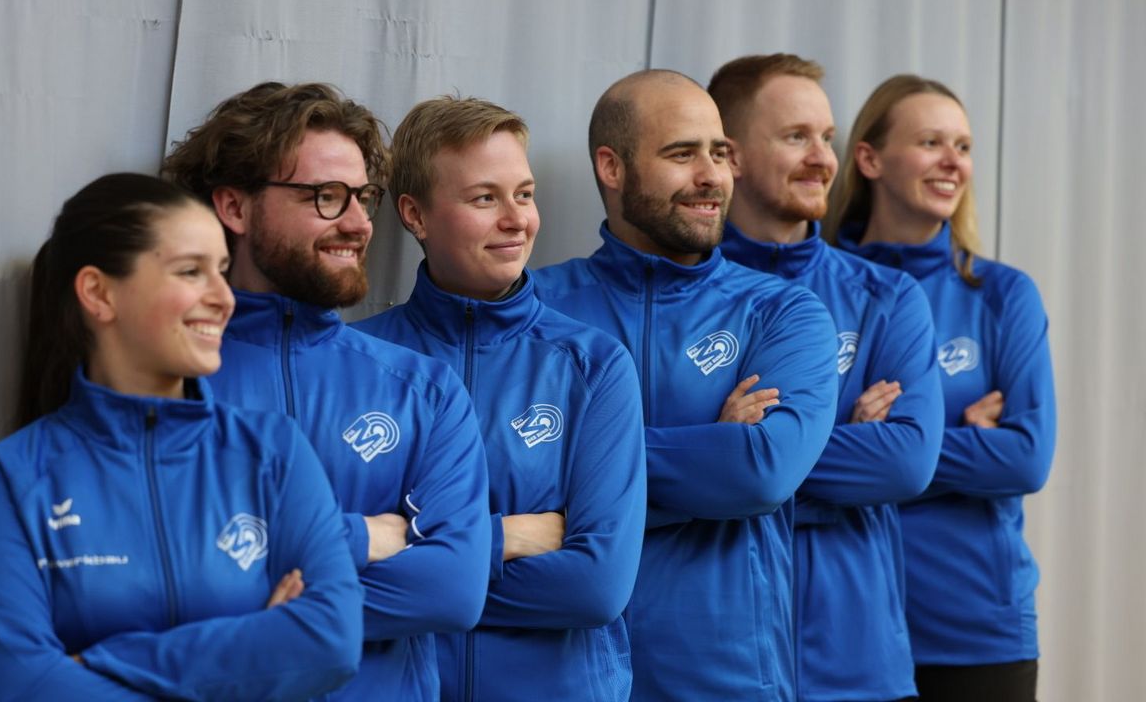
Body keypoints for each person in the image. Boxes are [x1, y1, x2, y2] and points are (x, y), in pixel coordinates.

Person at [0, 173, 363, 701]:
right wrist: (255, 659)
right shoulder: (10, 480)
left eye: (222, 271)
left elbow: (329, 642)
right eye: (191, 272)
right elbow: (22, 689)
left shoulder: (273, 450)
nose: (223, 298)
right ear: (99, 293)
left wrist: (96, 663)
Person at [162, 82, 492, 702]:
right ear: (235, 207)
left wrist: (249, 600)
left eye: (363, 197)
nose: (360, 223)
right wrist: (365, 537)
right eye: (326, 197)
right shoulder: (164, 380)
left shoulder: (422, 389)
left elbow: (449, 589)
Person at [531, 69, 839, 701]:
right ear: (611, 168)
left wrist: (577, 466)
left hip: (728, 679)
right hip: (563, 674)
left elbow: (760, 472)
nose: (712, 176)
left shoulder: (783, 312)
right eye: (682, 153)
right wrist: (707, 448)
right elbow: (494, 474)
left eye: (719, 152)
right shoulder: (537, 310)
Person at [354, 96, 647, 701]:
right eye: (485, 198)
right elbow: (322, 571)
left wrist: (409, 548)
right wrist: (503, 537)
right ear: (415, 214)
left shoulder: (593, 366)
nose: (517, 219)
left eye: (525, 193)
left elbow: (596, 587)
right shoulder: (357, 362)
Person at [709, 54, 944, 701]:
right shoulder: (684, 305)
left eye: (828, 138)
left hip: (857, 661)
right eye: (796, 137)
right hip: (721, 659)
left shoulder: (888, 296)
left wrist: (742, 452)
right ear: (730, 155)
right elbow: (646, 472)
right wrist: (842, 434)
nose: (822, 158)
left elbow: (905, 464)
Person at [825, 75, 1057, 702]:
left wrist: (887, 444)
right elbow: (776, 455)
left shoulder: (1004, 295)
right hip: (840, 629)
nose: (955, 161)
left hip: (977, 631)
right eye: (931, 141)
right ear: (869, 159)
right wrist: (962, 446)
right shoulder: (817, 290)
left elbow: (1028, 457)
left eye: (964, 144)